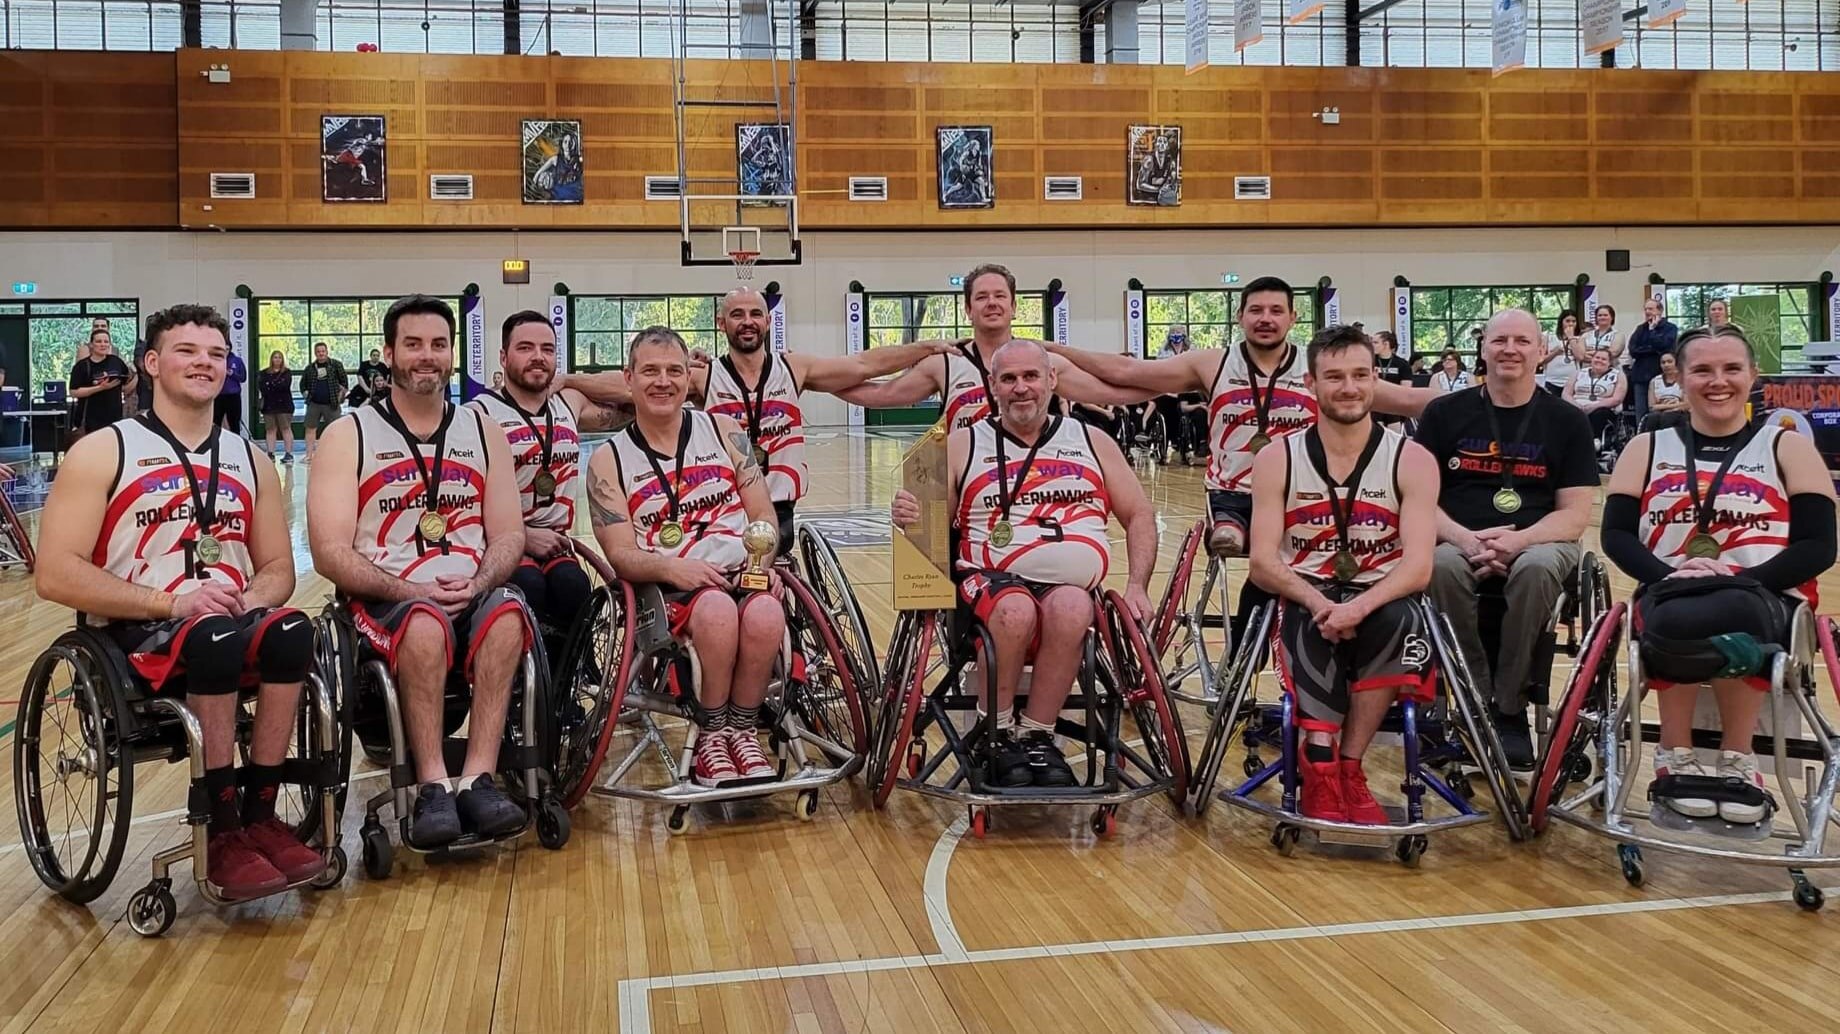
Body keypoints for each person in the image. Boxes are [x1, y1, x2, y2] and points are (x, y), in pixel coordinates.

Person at [34, 304, 322, 898]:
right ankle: (219, 829)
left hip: (223, 622)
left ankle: (261, 816)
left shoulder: (251, 460)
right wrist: (172, 603)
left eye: (216, 354)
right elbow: (54, 573)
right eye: (188, 352)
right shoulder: (102, 450)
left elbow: (277, 569)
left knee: (293, 629)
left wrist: (245, 599)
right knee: (211, 634)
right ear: (152, 362)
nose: (204, 364)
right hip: (138, 631)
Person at [306, 295, 530, 849]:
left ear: (453, 354)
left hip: (470, 589)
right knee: (425, 624)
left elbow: (508, 534)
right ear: (389, 354)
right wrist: (411, 590)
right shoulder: (349, 434)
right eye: (413, 344)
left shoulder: (482, 430)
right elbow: (329, 551)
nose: (426, 356)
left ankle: (478, 777)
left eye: (438, 344)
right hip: (387, 597)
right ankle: (432, 785)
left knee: (508, 614)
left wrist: (479, 583)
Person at [890, 340, 1156, 787]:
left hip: (1070, 586)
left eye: (1031, 376)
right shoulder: (960, 443)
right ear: (992, 386)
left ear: (1052, 380)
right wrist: (910, 515)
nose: (1021, 388)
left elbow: (1139, 514)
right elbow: (929, 524)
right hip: (988, 580)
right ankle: (994, 734)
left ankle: (1036, 735)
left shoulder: (1092, 440)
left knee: (1074, 608)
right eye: (1009, 379)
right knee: (1016, 610)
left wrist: (1138, 586)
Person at [1600, 324, 1836, 821]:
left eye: (1731, 368)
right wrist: (1668, 577)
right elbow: (1616, 537)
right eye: (1702, 370)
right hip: (1669, 589)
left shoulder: (1786, 447)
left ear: (1751, 376)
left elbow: (1819, 544)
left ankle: (1738, 757)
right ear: (1679, 379)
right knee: (1681, 617)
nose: (1717, 381)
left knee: (1735, 612)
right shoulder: (1645, 448)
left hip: (1766, 591)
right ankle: (1673, 751)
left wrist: (1742, 581)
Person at [1248, 326, 1438, 824]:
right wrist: (1319, 603)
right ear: (1310, 383)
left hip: (1381, 591)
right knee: (1305, 622)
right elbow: (1263, 562)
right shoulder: (1276, 457)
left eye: (1359, 375)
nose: (1348, 387)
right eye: (1334, 377)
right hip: (1305, 589)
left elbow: (1418, 567)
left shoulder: (1412, 458)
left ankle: (1348, 767)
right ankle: (1321, 763)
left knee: (1398, 618)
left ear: (1376, 379)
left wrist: (1357, 605)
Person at [582, 326, 786, 788]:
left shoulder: (724, 431)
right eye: (650, 371)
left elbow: (763, 516)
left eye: (675, 371)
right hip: (669, 588)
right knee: (715, 611)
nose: (663, 381)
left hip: (741, 572)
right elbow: (620, 555)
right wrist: (675, 567)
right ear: (628, 379)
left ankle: (742, 728)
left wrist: (763, 563)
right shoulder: (608, 460)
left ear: (688, 378)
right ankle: (713, 732)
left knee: (769, 616)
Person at [1413, 309, 1598, 768]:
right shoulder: (1444, 413)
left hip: (1540, 542)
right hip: (1458, 540)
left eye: (1521, 341)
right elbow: (1416, 501)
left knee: (1535, 569)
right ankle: (1475, 701)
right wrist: (1466, 539)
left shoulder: (1568, 420)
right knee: (1439, 565)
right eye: (1499, 341)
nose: (1509, 350)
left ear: (1540, 350)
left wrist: (1518, 542)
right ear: (1483, 348)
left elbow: (1574, 516)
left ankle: (1509, 708)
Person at [690, 287, 951, 556]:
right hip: (724, 507)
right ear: (721, 323)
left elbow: (863, 364)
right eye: (737, 314)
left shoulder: (793, 368)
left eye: (756, 313)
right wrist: (680, 360)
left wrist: (926, 347)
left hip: (778, 508)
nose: (748, 321)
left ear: (768, 321)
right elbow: (649, 389)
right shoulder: (701, 376)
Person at [465, 311, 637, 652]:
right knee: (528, 586)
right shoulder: (478, 413)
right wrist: (523, 536)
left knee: (574, 587)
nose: (537, 357)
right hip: (501, 542)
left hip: (557, 544)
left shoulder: (568, 403)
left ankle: (568, 688)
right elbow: (464, 499)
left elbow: (634, 396)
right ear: (503, 357)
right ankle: (522, 690)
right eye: (525, 348)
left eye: (547, 349)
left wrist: (571, 379)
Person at [834, 263, 1142, 434]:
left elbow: (1109, 392)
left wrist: (1168, 384)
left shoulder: (1045, 360)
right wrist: (811, 380)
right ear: (968, 309)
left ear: (1014, 306)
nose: (991, 303)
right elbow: (880, 395)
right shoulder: (946, 362)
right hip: (967, 486)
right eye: (981, 297)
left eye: (999, 296)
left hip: (1029, 484)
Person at [68, 327, 135, 435]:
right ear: (91, 345)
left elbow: (127, 380)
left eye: (106, 341)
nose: (103, 344)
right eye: (98, 341)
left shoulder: (116, 361)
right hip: (90, 422)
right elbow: (74, 392)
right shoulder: (82, 366)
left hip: (115, 420)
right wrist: (100, 388)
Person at [1626, 296, 1678, 421]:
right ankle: (1641, 436)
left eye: (1650, 309)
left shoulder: (1670, 328)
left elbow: (1664, 346)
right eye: (1645, 309)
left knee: (1660, 411)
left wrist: (1653, 331)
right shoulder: (1640, 329)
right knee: (1641, 412)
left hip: (1661, 374)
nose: (1647, 312)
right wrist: (1652, 349)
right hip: (1641, 375)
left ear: (1659, 311)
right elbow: (1633, 350)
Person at [298, 342, 348, 462]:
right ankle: (309, 455)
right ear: (315, 353)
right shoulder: (310, 368)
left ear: (327, 352)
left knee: (335, 429)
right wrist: (307, 396)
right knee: (310, 429)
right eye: (318, 351)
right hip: (314, 404)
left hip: (332, 403)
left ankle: (336, 454)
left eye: (323, 351)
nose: (321, 353)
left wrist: (340, 396)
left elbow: (344, 383)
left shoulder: (336, 365)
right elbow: (302, 385)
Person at [1568, 347, 1627, 438]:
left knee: (1598, 414)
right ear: (1592, 359)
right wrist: (1576, 406)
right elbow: (1566, 394)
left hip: (1602, 408)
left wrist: (1594, 406)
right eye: (1597, 357)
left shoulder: (1618, 375)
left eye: (1604, 359)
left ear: (1609, 363)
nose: (1599, 361)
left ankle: (1594, 442)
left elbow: (1617, 399)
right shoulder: (1579, 373)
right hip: (1577, 406)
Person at [258, 350, 296, 463]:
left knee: (285, 428)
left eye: (279, 357)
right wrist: (273, 385)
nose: (277, 359)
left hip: (284, 405)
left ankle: (288, 453)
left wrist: (271, 385)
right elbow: (263, 387)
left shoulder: (287, 372)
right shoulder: (264, 373)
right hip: (269, 404)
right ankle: (270, 453)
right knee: (270, 429)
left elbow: (284, 386)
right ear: (271, 359)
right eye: (275, 357)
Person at [1540, 310, 1585, 398]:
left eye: (1573, 321)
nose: (1571, 324)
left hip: (1572, 382)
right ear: (1561, 322)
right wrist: (1555, 352)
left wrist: (1571, 337)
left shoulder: (1579, 339)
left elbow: (1580, 357)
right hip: (1552, 381)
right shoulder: (1549, 336)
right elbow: (1541, 360)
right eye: (1567, 321)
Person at [215, 344, 246, 433]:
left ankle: (236, 444)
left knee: (234, 422)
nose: (225, 351)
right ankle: (216, 444)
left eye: (227, 349)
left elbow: (243, 377)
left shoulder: (237, 360)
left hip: (233, 395)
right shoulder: (215, 360)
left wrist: (232, 374)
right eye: (223, 349)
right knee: (216, 422)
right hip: (218, 394)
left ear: (230, 349)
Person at [1646, 350, 1687, 419]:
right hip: (1658, 416)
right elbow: (1652, 407)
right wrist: (1674, 405)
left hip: (1679, 415)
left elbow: (1686, 404)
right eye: (1663, 362)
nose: (1666, 365)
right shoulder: (1654, 381)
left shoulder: (1684, 380)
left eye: (1669, 362)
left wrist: (1663, 407)